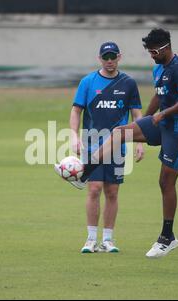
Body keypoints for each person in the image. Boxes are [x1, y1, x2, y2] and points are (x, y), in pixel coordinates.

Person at [57, 28, 178, 259]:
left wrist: (163, 115)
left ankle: (167, 237)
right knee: (119, 132)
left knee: (165, 181)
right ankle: (85, 173)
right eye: (150, 52)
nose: (152, 56)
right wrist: (146, 119)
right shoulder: (158, 68)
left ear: (165, 48)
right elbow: (158, 96)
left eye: (154, 52)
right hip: (163, 124)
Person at [55, 42, 144, 253]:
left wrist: (140, 142)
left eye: (113, 56)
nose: (110, 60)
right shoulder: (88, 82)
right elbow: (76, 111)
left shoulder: (128, 83)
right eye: (106, 57)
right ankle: (91, 239)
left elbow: (137, 115)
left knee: (112, 191)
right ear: (100, 59)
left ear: (120, 57)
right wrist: (74, 136)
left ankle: (108, 240)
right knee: (94, 189)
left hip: (118, 147)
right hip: (92, 145)